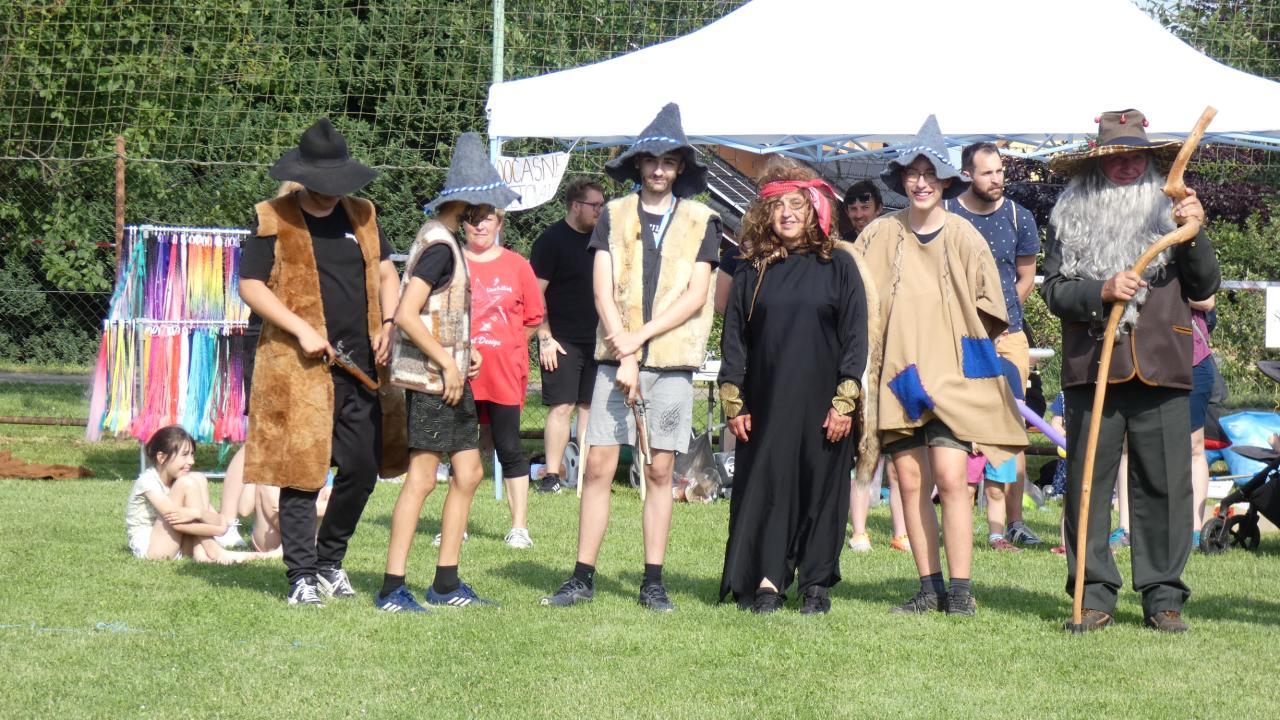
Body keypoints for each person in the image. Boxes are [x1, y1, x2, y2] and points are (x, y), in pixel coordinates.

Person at [1042, 109, 1220, 633]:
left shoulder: (1175, 212)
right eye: (1115, 158)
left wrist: (1194, 230)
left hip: (1163, 364)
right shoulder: (1069, 214)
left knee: (1165, 486)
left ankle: (1163, 597)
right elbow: (1053, 291)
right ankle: (1093, 594)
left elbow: (1205, 286)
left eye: (1135, 157)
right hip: (1092, 366)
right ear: (1097, 164)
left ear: (1150, 161)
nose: (1126, 166)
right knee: (1087, 485)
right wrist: (1100, 290)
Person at [542, 103, 720, 612]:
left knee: (660, 471)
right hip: (612, 358)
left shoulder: (702, 220)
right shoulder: (614, 214)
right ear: (639, 164)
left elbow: (695, 295)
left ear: (680, 168)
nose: (658, 169)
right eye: (651, 160)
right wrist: (623, 347)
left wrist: (636, 341)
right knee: (598, 466)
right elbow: (602, 290)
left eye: (668, 162)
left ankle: (653, 581)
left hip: (670, 363)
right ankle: (581, 576)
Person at [852, 116, 1028, 617]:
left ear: (946, 180)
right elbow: (853, 293)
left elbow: (993, 310)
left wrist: (966, 360)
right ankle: (929, 588)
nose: (921, 182)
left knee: (952, 478)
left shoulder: (966, 236)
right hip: (899, 379)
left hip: (951, 379)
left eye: (930, 173)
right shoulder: (880, 234)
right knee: (910, 481)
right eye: (913, 173)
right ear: (902, 179)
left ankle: (961, 590)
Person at [238, 118, 402, 606]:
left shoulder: (363, 215)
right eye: (324, 184)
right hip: (298, 368)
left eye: (339, 183)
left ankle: (330, 560)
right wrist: (302, 329)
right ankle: (301, 576)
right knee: (302, 471)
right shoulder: (273, 217)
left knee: (363, 468)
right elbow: (250, 286)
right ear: (303, 178)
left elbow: (387, 273)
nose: (332, 193)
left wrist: (389, 322)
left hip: (361, 368)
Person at [717, 159, 868, 614]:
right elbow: (734, 340)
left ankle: (815, 583)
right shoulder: (752, 270)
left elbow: (856, 338)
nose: (786, 214)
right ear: (765, 213)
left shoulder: (839, 265)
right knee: (769, 488)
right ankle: (767, 582)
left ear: (814, 209)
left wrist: (845, 402)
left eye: (796, 205)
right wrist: (733, 400)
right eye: (778, 205)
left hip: (825, 403)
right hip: (766, 403)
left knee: (821, 489)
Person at [377, 132, 511, 611]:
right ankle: (392, 587)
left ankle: (446, 584)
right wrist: (446, 361)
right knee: (421, 477)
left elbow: (439, 312)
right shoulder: (439, 246)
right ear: (468, 203)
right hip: (436, 381)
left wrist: (464, 352)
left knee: (469, 472)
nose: (489, 214)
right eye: (486, 205)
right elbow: (406, 314)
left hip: (451, 376)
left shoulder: (444, 240)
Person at [947, 141, 1043, 551]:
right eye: (987, 173)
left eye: (1000, 171)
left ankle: (1014, 522)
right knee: (958, 427)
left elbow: (1026, 277)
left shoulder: (1020, 217)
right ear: (967, 174)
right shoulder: (948, 214)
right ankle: (958, 519)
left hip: (1008, 338)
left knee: (1012, 425)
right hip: (956, 338)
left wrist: (996, 319)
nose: (997, 179)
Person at [466, 202, 545, 548]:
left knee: (509, 446)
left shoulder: (517, 265)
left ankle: (519, 527)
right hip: (461, 374)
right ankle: (457, 525)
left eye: (487, 219)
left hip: (504, 373)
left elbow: (534, 317)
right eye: (472, 219)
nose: (480, 226)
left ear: (499, 223)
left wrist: (508, 345)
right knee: (461, 449)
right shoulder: (453, 261)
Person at [838, 179, 907, 555]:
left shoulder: (898, 243)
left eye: (865, 207)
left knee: (898, 452)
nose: (859, 214)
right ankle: (859, 531)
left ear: (879, 207)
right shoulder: (843, 251)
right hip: (859, 358)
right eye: (853, 208)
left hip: (896, 356)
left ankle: (902, 532)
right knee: (863, 449)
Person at [530, 177, 606, 493]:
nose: (600, 211)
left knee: (589, 407)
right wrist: (545, 337)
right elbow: (535, 294)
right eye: (594, 205)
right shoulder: (551, 241)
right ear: (576, 206)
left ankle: (585, 476)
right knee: (562, 406)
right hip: (561, 341)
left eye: (602, 205)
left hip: (597, 340)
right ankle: (552, 475)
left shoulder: (602, 241)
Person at [125, 425, 274, 563]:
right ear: (161, 457)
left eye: (192, 454)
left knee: (198, 478)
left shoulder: (181, 481)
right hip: (153, 549)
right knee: (187, 482)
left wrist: (198, 514)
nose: (191, 461)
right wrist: (218, 529)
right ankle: (214, 551)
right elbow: (176, 522)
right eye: (184, 455)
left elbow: (219, 520)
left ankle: (201, 553)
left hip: (177, 543)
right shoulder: (148, 481)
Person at [1188, 298, 1218, 550]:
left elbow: (1208, 301)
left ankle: (1195, 530)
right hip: (1147, 363)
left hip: (1193, 362)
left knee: (1194, 449)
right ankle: (1128, 528)